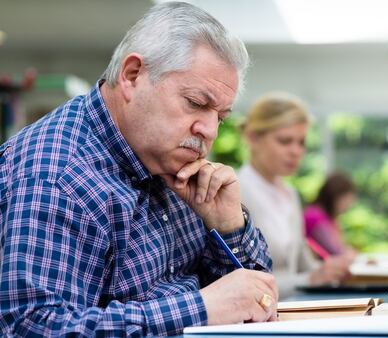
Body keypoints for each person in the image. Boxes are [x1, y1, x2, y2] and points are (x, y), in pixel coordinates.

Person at [0, 2, 278, 336]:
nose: (210, 131)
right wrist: (201, 309)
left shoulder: (170, 161)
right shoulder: (59, 175)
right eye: (196, 103)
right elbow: (31, 326)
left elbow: (257, 299)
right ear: (132, 76)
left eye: (220, 116)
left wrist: (229, 226)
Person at [238, 92, 353, 298]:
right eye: (285, 141)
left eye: (301, 142)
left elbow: (303, 264)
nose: (296, 151)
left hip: (292, 312)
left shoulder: (290, 194)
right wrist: (309, 280)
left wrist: (332, 269)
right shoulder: (235, 192)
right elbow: (241, 282)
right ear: (252, 137)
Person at [304, 171, 358, 258]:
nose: (348, 206)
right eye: (346, 200)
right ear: (335, 195)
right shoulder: (314, 216)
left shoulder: (329, 218)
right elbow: (334, 251)